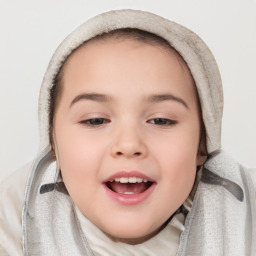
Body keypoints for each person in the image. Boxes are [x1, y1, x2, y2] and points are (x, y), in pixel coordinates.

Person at [0, 9, 255, 256]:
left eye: (161, 120)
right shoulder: (12, 222)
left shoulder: (246, 215)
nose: (129, 144)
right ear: (53, 143)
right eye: (95, 120)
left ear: (202, 144)